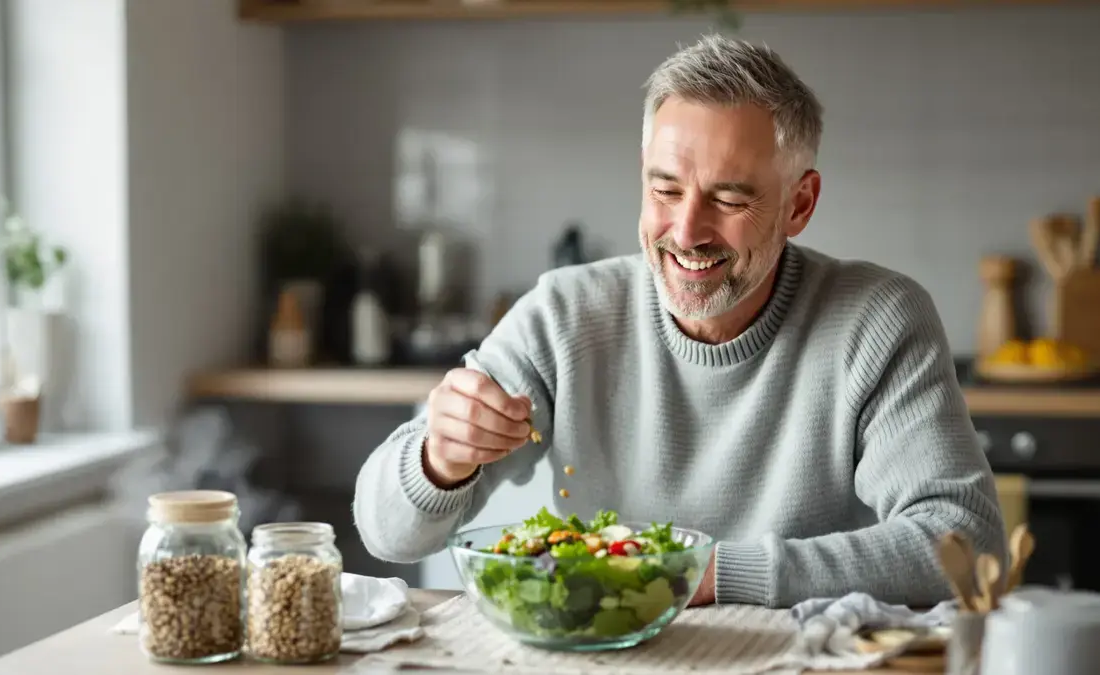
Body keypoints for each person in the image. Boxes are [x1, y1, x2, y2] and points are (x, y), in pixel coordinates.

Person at [353, 34, 1006, 609]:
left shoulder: (878, 322)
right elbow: (387, 532)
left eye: (729, 196)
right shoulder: (566, 314)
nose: (687, 230)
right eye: (666, 189)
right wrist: (440, 458)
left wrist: (711, 572)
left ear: (799, 202)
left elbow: (965, 543)